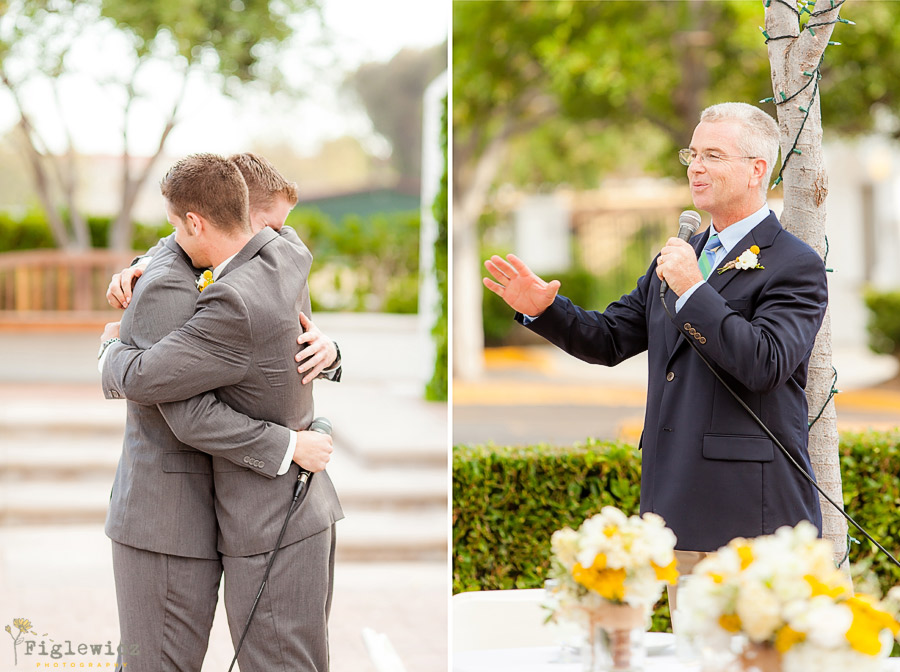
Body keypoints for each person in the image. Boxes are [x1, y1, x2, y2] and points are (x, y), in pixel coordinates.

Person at [484, 102, 827, 605]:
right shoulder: (677, 256)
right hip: (674, 505)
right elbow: (608, 339)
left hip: (754, 514)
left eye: (713, 155)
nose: (696, 167)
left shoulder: (794, 264)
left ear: (757, 170)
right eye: (692, 153)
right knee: (689, 650)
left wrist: (693, 290)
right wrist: (547, 309)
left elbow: (766, 363)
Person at [99, 153, 342, 670]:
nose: (280, 238)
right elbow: (177, 406)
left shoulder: (273, 260)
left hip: (267, 513)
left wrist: (332, 349)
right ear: (234, 211)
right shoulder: (176, 281)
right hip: (167, 513)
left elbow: (275, 322)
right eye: (272, 225)